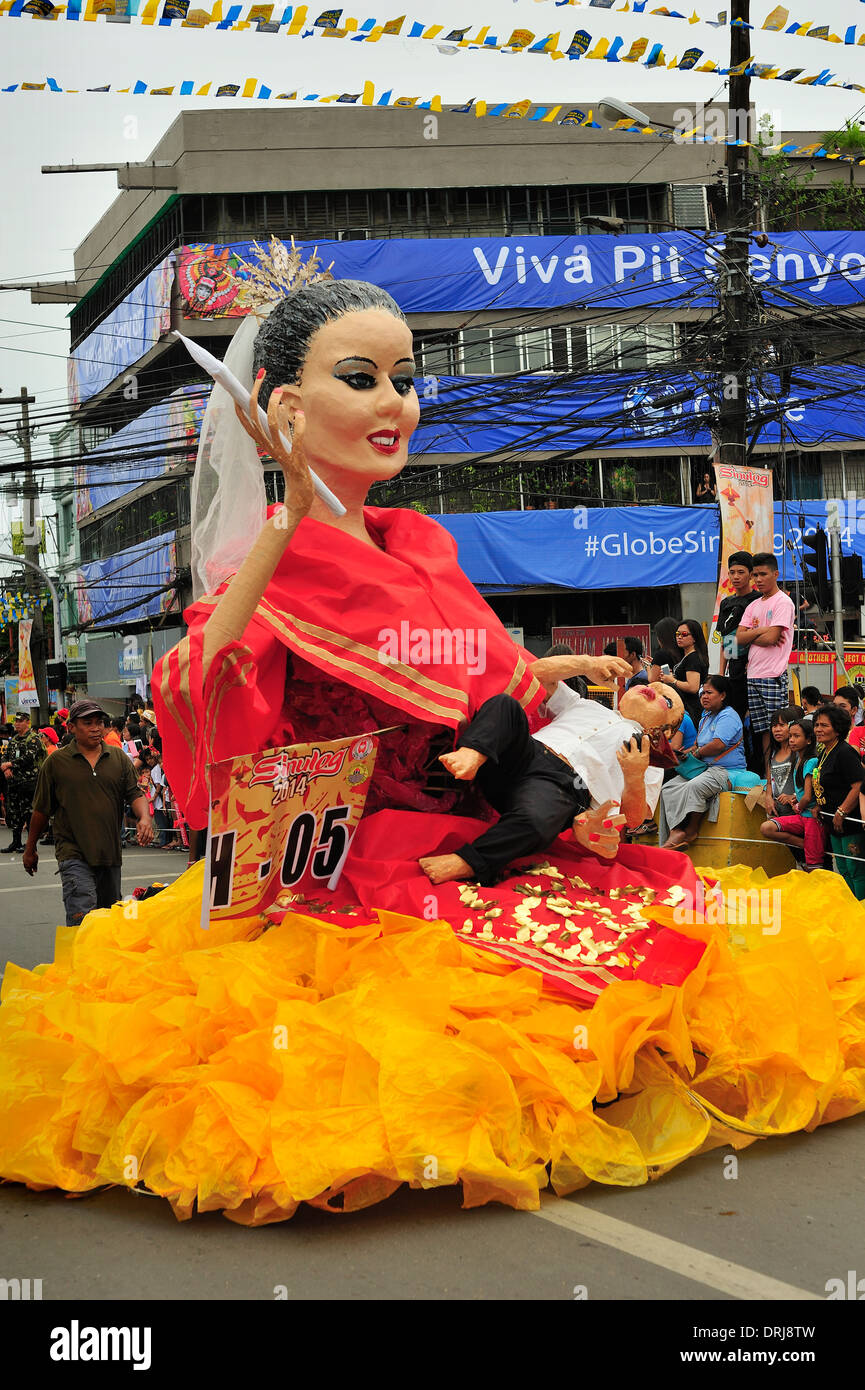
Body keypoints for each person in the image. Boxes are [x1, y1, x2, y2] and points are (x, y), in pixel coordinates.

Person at [418, 677, 678, 885]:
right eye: (651, 684)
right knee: (506, 705)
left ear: (666, 729)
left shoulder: (648, 758)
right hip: (526, 753)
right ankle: (473, 752)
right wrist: (586, 664)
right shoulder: (585, 704)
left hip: (563, 787)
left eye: (666, 699)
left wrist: (634, 776)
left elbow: (634, 819)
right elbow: (535, 676)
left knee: (537, 821)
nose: (652, 689)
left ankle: (470, 862)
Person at [22, 699, 155, 926]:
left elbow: (135, 793)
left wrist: (145, 818)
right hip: (73, 854)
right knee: (83, 921)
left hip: (109, 855)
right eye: (88, 723)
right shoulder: (56, 762)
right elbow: (41, 810)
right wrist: (30, 848)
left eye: (99, 722)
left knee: (107, 924)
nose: (95, 728)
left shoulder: (118, 758)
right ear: (71, 727)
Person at [658, 675, 746, 849]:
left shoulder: (728, 716)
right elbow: (698, 745)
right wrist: (687, 754)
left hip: (726, 770)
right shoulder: (706, 716)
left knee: (694, 786)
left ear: (723, 695)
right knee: (668, 788)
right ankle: (676, 831)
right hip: (704, 769)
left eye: (709, 693)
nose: (704, 696)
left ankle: (691, 830)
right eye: (702, 693)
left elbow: (718, 745)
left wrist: (696, 754)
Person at [736, 552, 796, 759]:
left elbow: (772, 638)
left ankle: (785, 771)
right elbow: (737, 638)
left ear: (775, 574)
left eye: (763, 574)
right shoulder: (753, 605)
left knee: (781, 730)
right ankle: (768, 773)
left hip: (773, 674)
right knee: (763, 731)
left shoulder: (783, 602)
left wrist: (751, 635)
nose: (758, 579)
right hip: (753, 675)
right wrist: (762, 630)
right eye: (755, 575)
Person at [811, 702, 865, 900]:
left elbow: (858, 785)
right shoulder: (825, 751)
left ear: (837, 728)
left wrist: (842, 811)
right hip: (832, 821)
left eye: (824, 725)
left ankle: (861, 909)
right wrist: (819, 804)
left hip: (849, 822)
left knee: (856, 869)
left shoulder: (845, 752)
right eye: (817, 725)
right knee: (842, 868)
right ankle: (849, 908)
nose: (818, 729)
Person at [760, 717, 824, 870]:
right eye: (790, 736)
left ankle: (811, 847)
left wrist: (798, 806)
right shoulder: (798, 760)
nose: (791, 740)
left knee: (814, 867)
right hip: (801, 817)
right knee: (766, 828)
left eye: (796, 736)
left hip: (811, 818)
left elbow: (807, 796)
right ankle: (804, 844)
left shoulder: (811, 761)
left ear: (809, 740)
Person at [716, 551, 757, 721]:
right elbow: (726, 639)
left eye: (741, 572)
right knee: (734, 713)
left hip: (754, 666)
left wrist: (750, 661)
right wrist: (721, 672)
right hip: (734, 667)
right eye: (732, 572)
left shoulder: (758, 599)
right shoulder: (726, 603)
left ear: (751, 575)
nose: (736, 577)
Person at [0, 710, 45, 854]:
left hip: (28, 782)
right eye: (16, 721)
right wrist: (5, 768)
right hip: (14, 782)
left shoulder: (33, 739)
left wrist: (10, 764)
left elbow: (29, 758)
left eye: (20, 721)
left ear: (27, 722)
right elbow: (5, 755)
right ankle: (16, 842)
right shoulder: (14, 739)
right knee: (15, 813)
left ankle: (31, 845)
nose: (17, 724)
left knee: (29, 814)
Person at [658, 618, 709, 728]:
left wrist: (672, 680)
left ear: (694, 638)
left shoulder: (693, 658)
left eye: (684, 634)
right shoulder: (687, 656)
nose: (679, 637)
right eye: (677, 634)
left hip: (691, 708)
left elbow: (693, 687)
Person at [764, 707, 799, 817]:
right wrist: (768, 797)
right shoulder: (772, 754)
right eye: (774, 726)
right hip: (776, 812)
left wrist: (793, 796)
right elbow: (769, 783)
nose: (777, 729)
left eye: (782, 725)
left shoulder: (798, 753)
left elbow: (807, 785)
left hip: (795, 812)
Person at [834, 687, 865, 752]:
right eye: (834, 706)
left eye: (842, 706)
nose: (836, 710)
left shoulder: (861, 737)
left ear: (854, 710)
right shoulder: (826, 734)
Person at [648, 618, 679, 683]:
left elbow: (652, 679)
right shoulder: (683, 650)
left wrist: (648, 667)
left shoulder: (661, 655)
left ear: (661, 637)